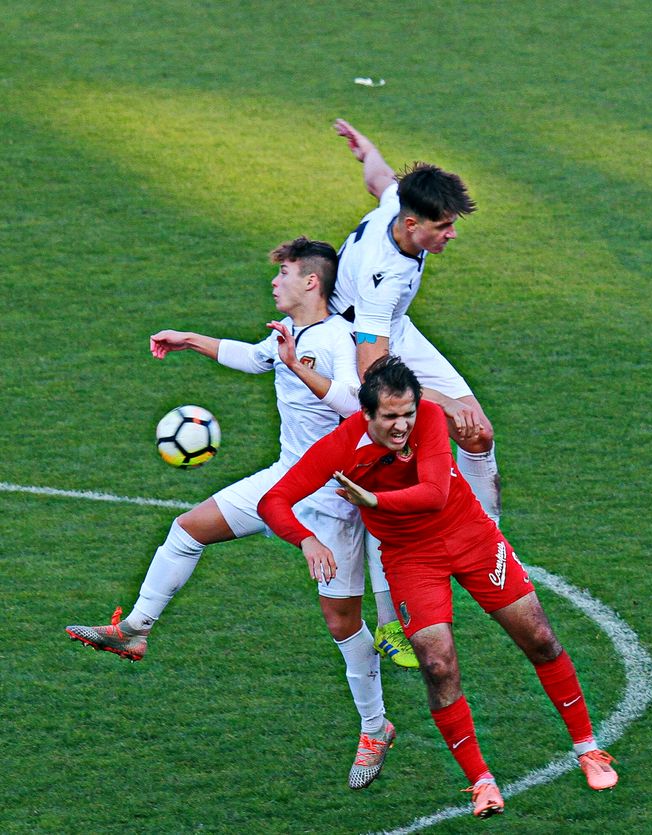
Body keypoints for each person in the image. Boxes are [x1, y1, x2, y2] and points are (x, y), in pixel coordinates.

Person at [65, 238, 398, 790]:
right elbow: (250, 356)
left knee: (342, 623)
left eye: (284, 273)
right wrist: (189, 339)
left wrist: (295, 366)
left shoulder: (337, 338)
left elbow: (354, 403)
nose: (275, 281)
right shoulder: (288, 334)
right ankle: (134, 630)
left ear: (311, 281)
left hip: (332, 499)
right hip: (284, 478)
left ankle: (374, 727)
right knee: (187, 529)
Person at [258, 357, 618, 818]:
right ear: (366, 414)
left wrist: (373, 500)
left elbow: (435, 494)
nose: (402, 425)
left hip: (471, 536)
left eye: (407, 413)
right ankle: (481, 782)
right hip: (411, 558)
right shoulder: (341, 446)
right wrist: (306, 539)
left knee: (541, 639)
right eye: (390, 416)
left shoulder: (427, 418)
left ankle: (588, 749)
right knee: (437, 664)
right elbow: (273, 500)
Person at [328, 119, 500, 667]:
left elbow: (381, 181)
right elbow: (373, 369)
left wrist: (367, 151)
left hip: (394, 333)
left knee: (478, 434)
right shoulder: (384, 277)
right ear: (412, 224)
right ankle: (389, 622)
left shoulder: (399, 206)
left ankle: (488, 544)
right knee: (390, 481)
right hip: (357, 346)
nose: (451, 235)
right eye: (443, 226)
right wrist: (443, 405)